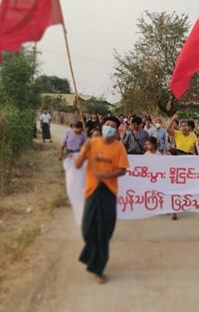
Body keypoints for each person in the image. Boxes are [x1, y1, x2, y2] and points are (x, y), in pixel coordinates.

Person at [75, 116, 129, 284]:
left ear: (116, 130)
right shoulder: (92, 143)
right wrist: (85, 151)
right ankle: (91, 256)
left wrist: (105, 175)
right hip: (91, 190)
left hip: (108, 191)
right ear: (102, 126)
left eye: (113, 126)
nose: (109, 128)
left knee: (103, 231)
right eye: (107, 125)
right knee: (87, 229)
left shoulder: (118, 148)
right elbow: (77, 165)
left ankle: (99, 269)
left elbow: (122, 170)